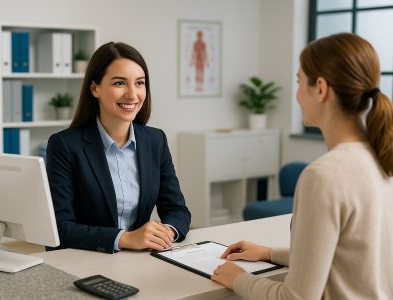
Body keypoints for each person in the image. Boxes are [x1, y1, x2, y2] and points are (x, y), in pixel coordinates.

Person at [211, 32, 393, 299]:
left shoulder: (324, 175)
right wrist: (269, 253)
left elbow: (295, 297)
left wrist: (239, 279)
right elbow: (349, 257)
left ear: (320, 88)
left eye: (299, 82)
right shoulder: (382, 157)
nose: (296, 95)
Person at [46, 42, 191, 254]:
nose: (132, 95)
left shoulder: (155, 140)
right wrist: (125, 238)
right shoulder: (65, 145)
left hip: (140, 259)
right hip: (86, 259)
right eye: (119, 83)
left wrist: (166, 232)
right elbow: (60, 228)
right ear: (95, 88)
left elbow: (177, 210)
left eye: (139, 83)